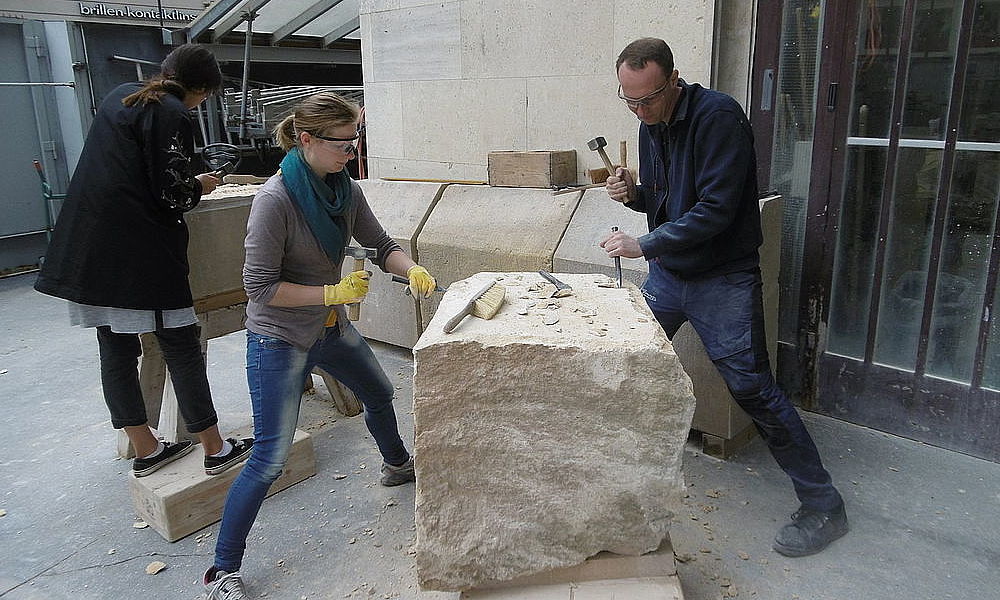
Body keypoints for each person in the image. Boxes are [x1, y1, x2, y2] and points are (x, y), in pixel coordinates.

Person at [601, 38, 848, 557]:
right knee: (630, 361)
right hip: (671, 275)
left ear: (674, 80)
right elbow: (670, 201)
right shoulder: (650, 123)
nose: (640, 112)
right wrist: (637, 195)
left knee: (753, 389)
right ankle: (616, 473)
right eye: (629, 101)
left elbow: (716, 210)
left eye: (647, 99)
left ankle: (824, 505)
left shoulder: (720, 117)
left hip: (723, 280)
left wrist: (643, 242)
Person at [203, 91, 437, 599]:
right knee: (268, 456)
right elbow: (260, 287)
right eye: (343, 143)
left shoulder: (344, 190)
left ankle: (396, 465)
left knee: (379, 392)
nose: (351, 151)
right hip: (279, 337)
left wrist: (410, 267)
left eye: (356, 140)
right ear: (306, 139)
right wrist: (330, 291)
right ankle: (222, 571)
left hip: (328, 328)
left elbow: (381, 245)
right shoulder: (275, 201)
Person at [34, 43, 253, 478]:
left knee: (114, 348)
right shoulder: (173, 113)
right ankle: (214, 447)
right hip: (138, 252)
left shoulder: (122, 95)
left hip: (89, 246)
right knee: (180, 345)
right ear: (203, 91)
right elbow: (171, 194)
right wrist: (200, 185)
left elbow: (132, 170)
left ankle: (146, 447)